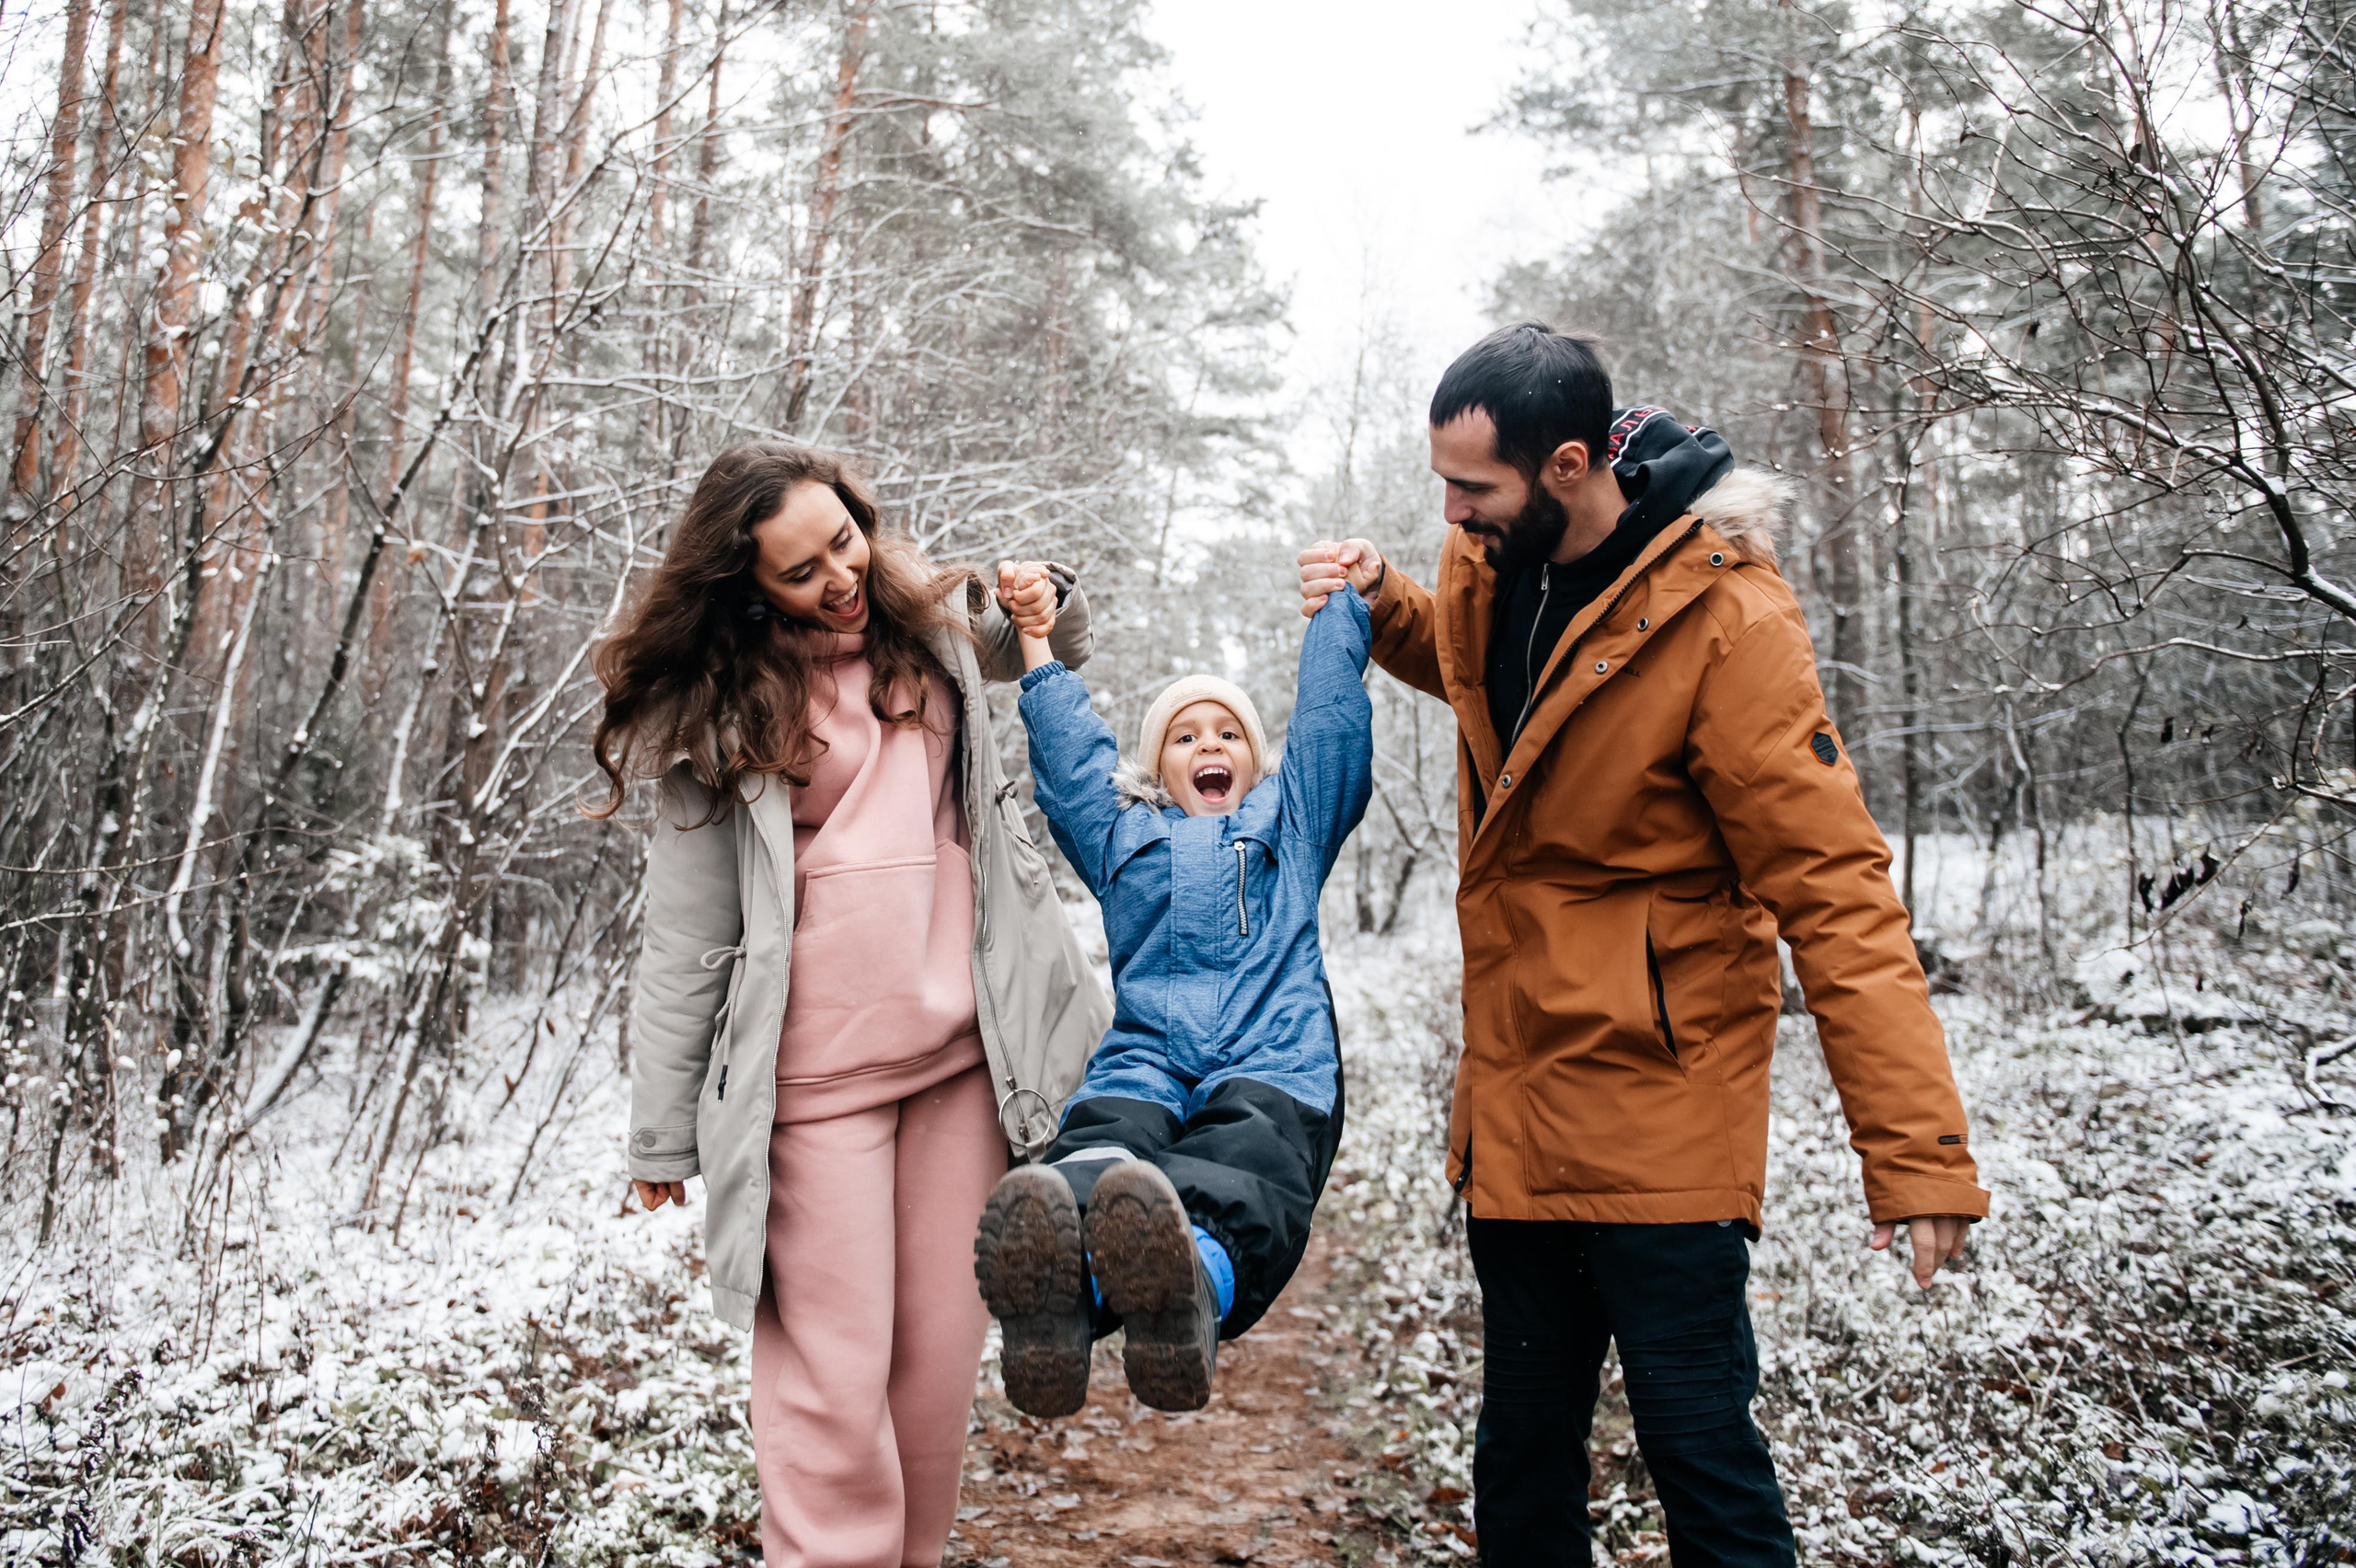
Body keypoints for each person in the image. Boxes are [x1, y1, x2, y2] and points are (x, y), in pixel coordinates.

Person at [1298, 323, 1991, 1567]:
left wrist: (1920, 1152)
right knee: (1520, 1463)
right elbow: (1493, 686)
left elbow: (1834, 889)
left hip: (1662, 1116)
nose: (1448, 513)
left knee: (1700, 1460)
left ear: (1569, 465)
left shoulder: (1725, 621)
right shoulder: (1484, 561)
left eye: (1473, 488)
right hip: (1517, 1101)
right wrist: (1382, 601)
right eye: (1443, 485)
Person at [596, 441, 1110, 1568]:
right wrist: (663, 1127)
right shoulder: (718, 706)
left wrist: (1046, 596)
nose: (839, 576)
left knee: (931, 1370)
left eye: (844, 539)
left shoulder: (927, 626)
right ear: (747, 589)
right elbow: (688, 935)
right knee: (832, 1380)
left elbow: (1047, 650)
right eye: (800, 570)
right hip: (813, 1085)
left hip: (961, 1063)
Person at [971, 562, 1373, 1416]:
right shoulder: (1126, 837)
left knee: (1247, 1157)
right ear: (1157, 766)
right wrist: (1037, 643)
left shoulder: (1289, 825)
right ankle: (1054, 1300)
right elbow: (1074, 764)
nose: (1209, 748)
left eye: (1227, 734)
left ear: (1258, 762)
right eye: (1185, 737)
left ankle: (1191, 1290)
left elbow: (1332, 731)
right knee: (1105, 1141)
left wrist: (1339, 610)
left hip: (1272, 1056)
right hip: (1149, 1054)